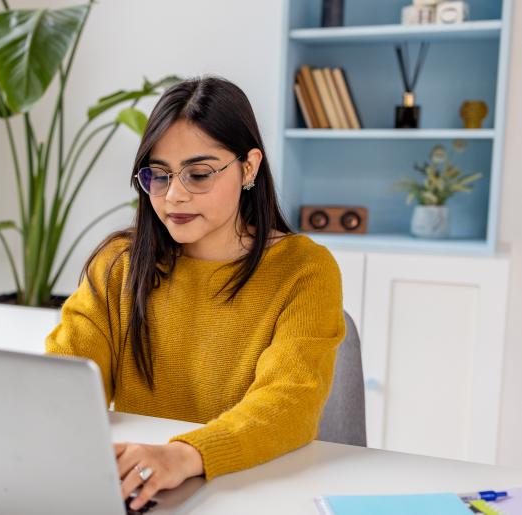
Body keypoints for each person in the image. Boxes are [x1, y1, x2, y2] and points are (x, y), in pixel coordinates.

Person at [45, 76, 345, 511]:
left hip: (251, 489)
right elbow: (67, 377)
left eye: (199, 174)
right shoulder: (118, 262)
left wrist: (185, 455)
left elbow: (289, 402)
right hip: (141, 489)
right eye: (159, 176)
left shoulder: (304, 270)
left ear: (249, 167)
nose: (174, 197)